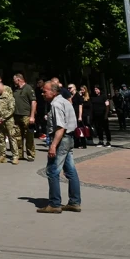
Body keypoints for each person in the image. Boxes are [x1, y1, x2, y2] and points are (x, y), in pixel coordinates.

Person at [38, 81, 81, 214]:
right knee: (70, 171)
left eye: (45, 91)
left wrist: (53, 146)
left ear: (53, 91)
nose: (43, 93)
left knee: (52, 171)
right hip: (69, 138)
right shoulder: (65, 101)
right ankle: (74, 202)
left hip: (61, 139)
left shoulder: (56, 104)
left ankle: (55, 204)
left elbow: (60, 127)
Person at [12, 73, 37, 162]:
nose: (13, 81)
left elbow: (33, 102)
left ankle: (30, 155)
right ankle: (20, 154)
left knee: (29, 136)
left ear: (18, 79)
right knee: (17, 136)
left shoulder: (28, 88)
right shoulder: (16, 90)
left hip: (26, 116)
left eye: (14, 79)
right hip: (17, 116)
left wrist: (32, 116)